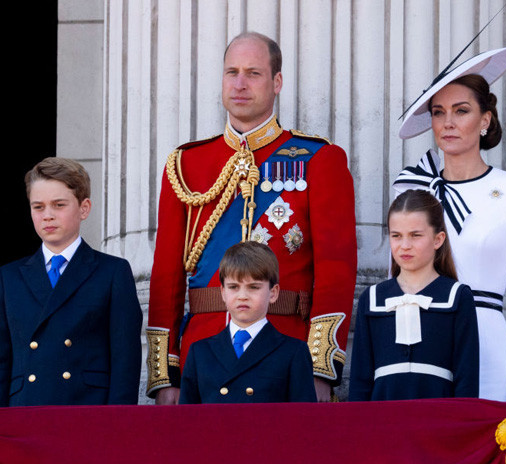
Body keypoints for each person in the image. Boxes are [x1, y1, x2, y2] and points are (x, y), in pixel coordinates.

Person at [146, 31, 357, 404]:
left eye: (253, 73)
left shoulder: (318, 159)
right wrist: (166, 374)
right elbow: (166, 278)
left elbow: (336, 271)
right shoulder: (186, 165)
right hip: (202, 357)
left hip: (286, 354)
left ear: (277, 82)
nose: (240, 84)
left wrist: (320, 367)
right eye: (232, 72)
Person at [393, 47, 506, 402]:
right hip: (419, 339)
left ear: (485, 119)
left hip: (487, 342)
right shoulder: (412, 188)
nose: (448, 122)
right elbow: (396, 278)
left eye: (461, 111)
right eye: (438, 112)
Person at [0, 157, 142, 406]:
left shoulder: (112, 272)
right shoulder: (9, 277)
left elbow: (125, 361)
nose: (47, 216)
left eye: (59, 205)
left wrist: (117, 423)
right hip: (25, 411)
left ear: (84, 208)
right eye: (38, 207)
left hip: (87, 410)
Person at [349, 189, 478, 401]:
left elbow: (467, 379)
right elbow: (360, 381)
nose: (405, 246)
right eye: (396, 236)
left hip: (439, 413)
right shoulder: (371, 299)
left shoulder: (457, 296)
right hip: (382, 416)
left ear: (438, 239)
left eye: (415, 235)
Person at [179, 241, 316, 404]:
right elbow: (187, 417)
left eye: (253, 287)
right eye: (233, 287)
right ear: (223, 292)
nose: (242, 296)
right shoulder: (200, 352)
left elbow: (304, 417)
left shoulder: (293, 352)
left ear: (273, 293)